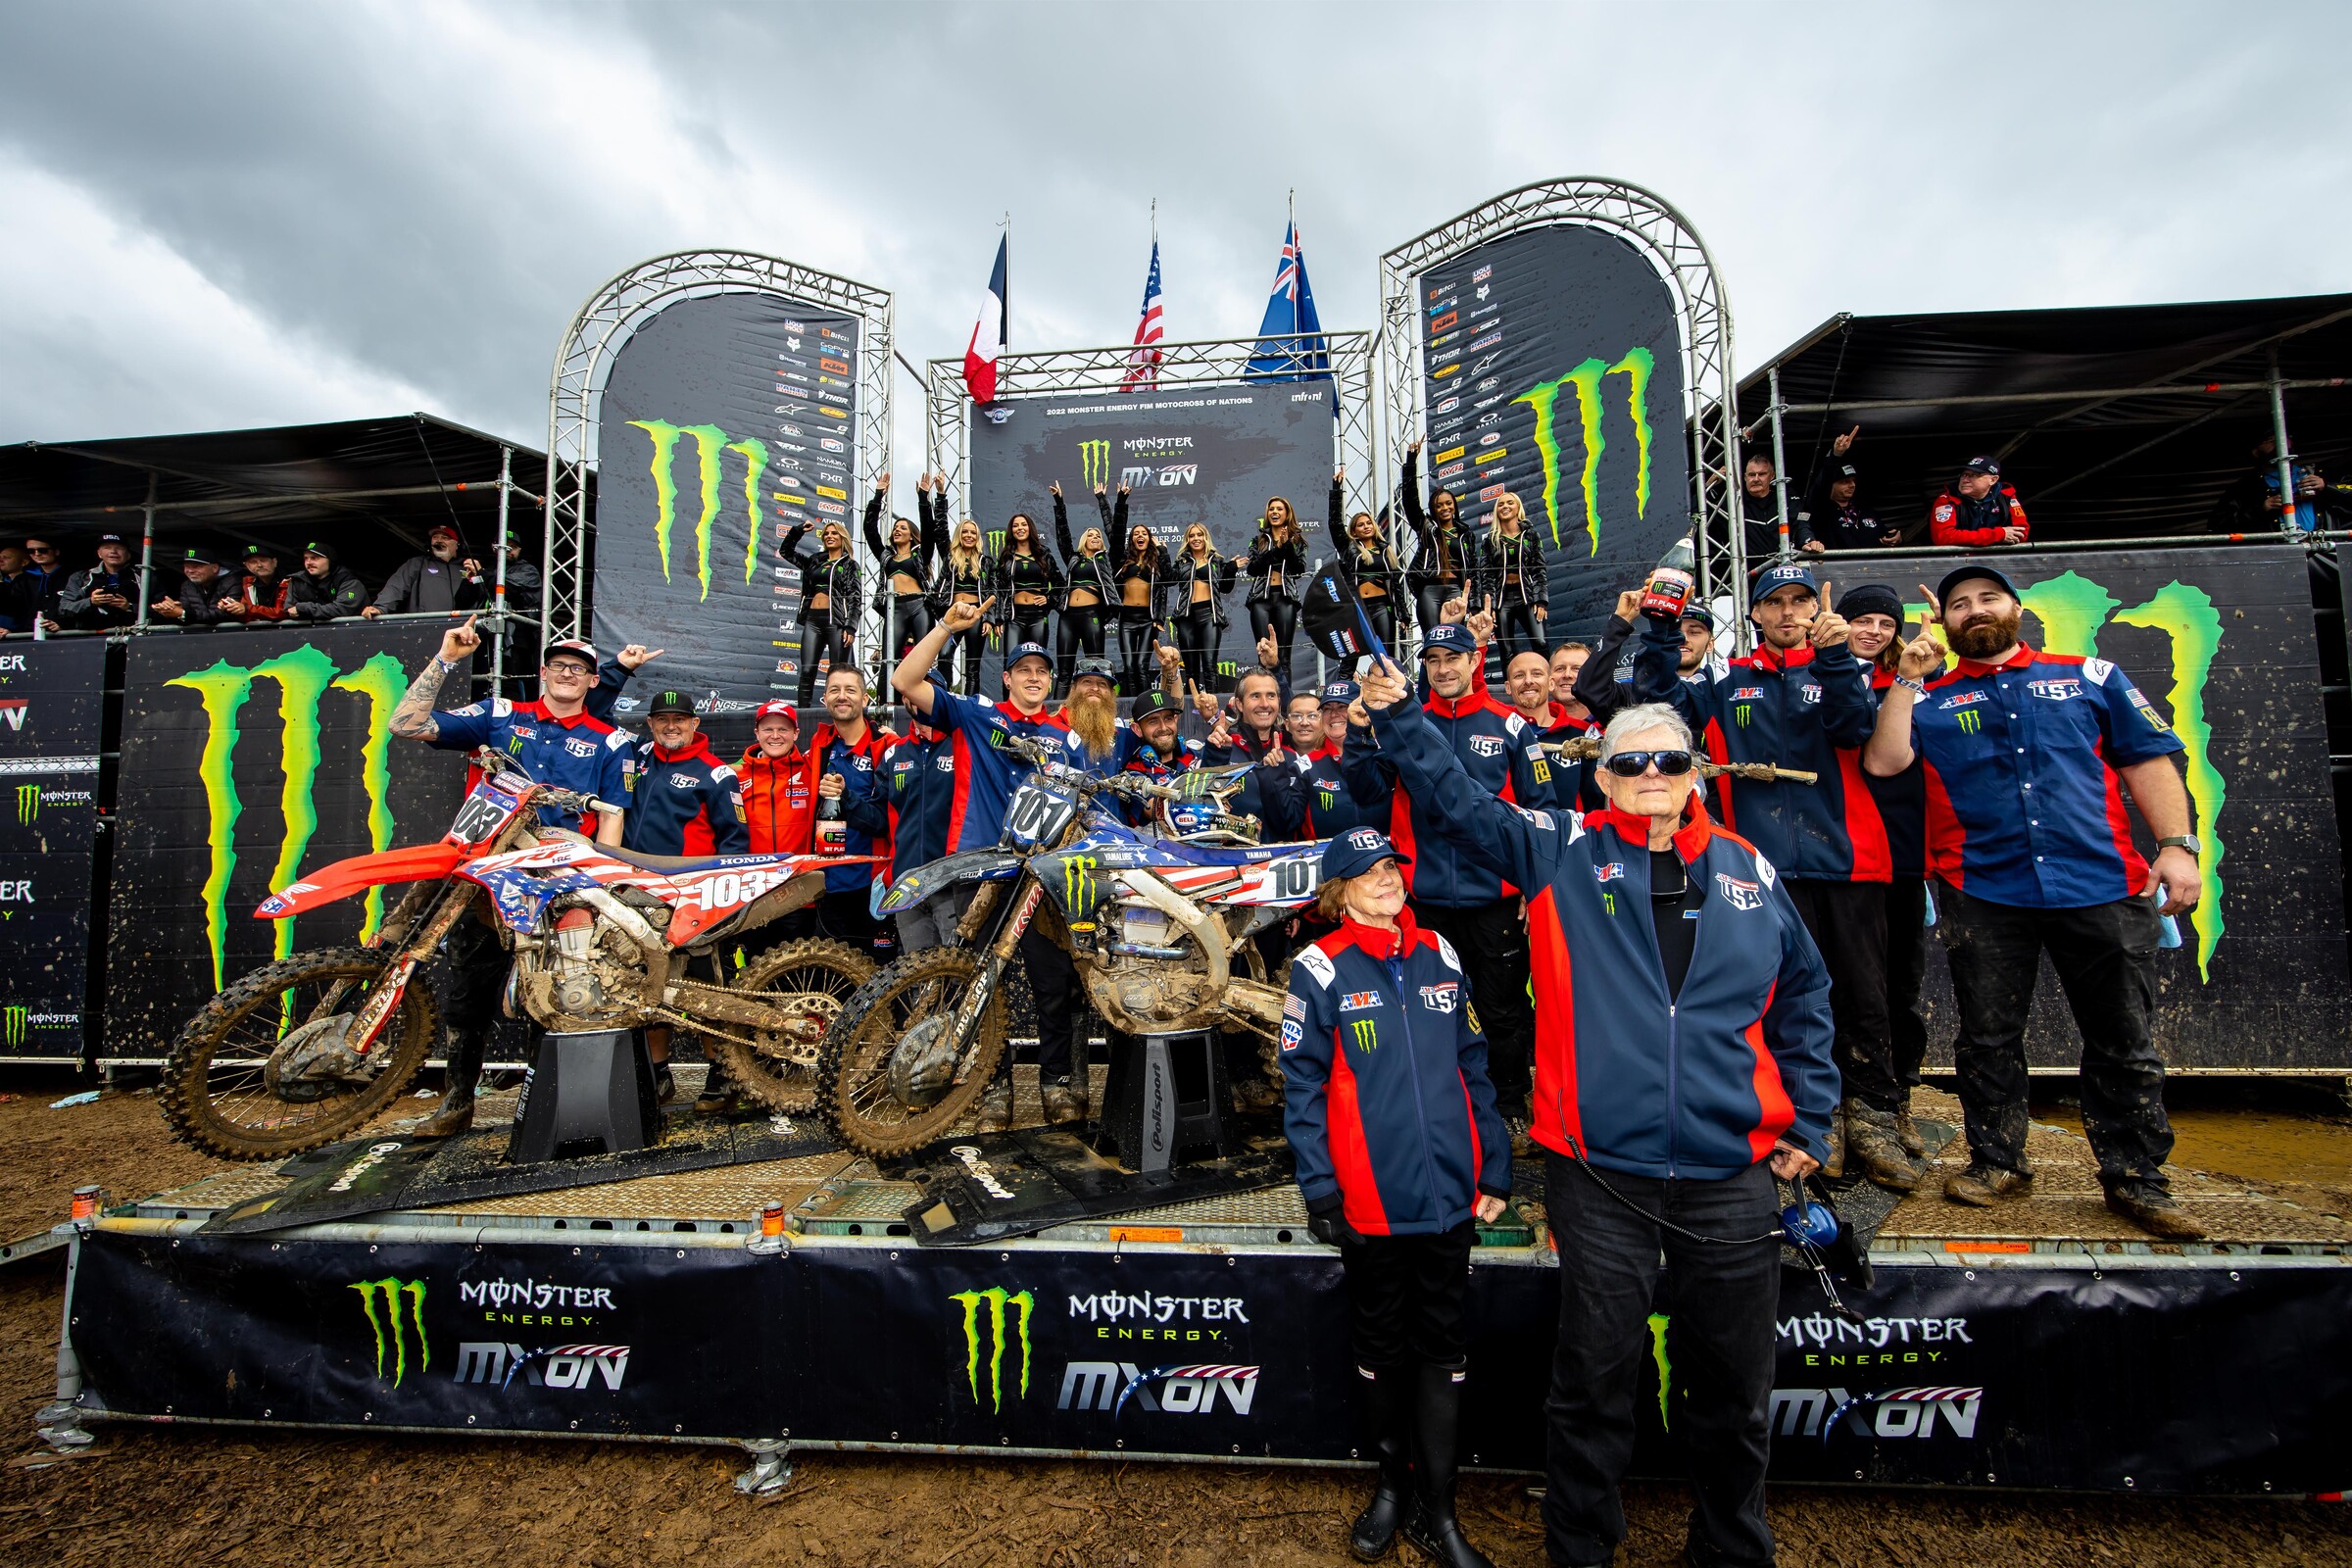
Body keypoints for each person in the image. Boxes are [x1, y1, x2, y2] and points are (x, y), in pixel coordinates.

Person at [1361, 670, 1837, 1568]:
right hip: (1599, 1172)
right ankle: (1579, 1547)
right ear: (1605, 778)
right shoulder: (1562, 849)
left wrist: (1809, 1121)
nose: (1652, 773)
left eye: (1668, 759)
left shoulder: (1748, 866)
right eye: (1632, 762)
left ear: (1694, 771)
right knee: (1593, 1380)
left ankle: (1732, 1548)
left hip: (1732, 1171)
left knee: (1735, 1390)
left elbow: (1806, 991)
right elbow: (1458, 802)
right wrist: (1397, 714)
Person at [1864, 564, 2205, 1238]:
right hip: (1982, 888)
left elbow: (2149, 759)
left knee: (2124, 1040)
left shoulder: (2091, 675)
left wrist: (2177, 845)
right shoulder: (1927, 699)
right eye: (1959, 605)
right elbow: (1884, 762)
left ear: (2017, 608)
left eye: (1987, 598)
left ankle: (2136, 1177)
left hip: (2102, 882)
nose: (1973, 611)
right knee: (1988, 1039)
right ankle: (1998, 1164)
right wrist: (1907, 674)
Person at [1624, 562, 1913, 1191]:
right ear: (1753, 614)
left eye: (1799, 602)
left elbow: (1852, 728)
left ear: (1815, 609)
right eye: (1774, 603)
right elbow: (1659, 705)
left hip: (1848, 862)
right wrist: (1661, 628)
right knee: (1784, 999)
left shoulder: (1843, 670)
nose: (1787, 613)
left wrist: (1835, 658)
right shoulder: (1730, 685)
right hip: (1759, 872)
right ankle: (1814, 1126)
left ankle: (1875, 1122)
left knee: (1863, 997)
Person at [1281, 826, 1510, 1568]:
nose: (1385, 878)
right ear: (1340, 892)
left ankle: (1437, 1512)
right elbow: (1302, 1090)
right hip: (1370, 1204)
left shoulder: (1441, 951)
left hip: (1449, 1197)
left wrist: (1495, 1165)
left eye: (1390, 866)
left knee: (1443, 1346)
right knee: (1381, 1346)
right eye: (1367, 872)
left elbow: (1474, 1063)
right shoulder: (1318, 969)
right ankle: (1390, 1487)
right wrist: (1319, 1186)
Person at [389, 624, 632, 1134]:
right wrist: (446, 658)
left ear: (592, 682)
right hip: (483, 878)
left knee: (553, 991)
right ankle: (457, 1101)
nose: (568, 674)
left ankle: (537, 1104)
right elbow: (406, 724)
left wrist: (603, 883)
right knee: (468, 990)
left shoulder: (611, 740)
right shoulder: (500, 714)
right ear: (542, 672)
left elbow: (612, 815)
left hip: (558, 883)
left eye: (580, 669)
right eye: (559, 665)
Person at [1342, 622, 1548, 1129]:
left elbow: (1542, 810)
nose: (1443, 668)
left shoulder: (1510, 726)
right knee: (1431, 1007)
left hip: (1494, 899)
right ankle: (1441, 1099)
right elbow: (1367, 793)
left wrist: (1532, 882)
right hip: (1426, 900)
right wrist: (1360, 733)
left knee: (1501, 1011)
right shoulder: (1404, 724)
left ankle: (1508, 1105)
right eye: (1432, 659)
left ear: (1476, 661)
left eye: (1453, 657)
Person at [892, 603, 1082, 1129]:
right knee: (979, 985)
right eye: (1024, 671)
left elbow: (1083, 807)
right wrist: (948, 628)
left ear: (1051, 680)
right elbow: (906, 679)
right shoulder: (980, 715)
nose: (1034, 678)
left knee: (1053, 984)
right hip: (982, 870)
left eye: (1042, 672)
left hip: (1046, 876)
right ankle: (990, 1090)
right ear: (1007, 678)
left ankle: (1056, 1083)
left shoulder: (1067, 738)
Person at [623, 689, 751, 1111]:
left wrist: (715, 901)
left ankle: (722, 1074)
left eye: (680, 719)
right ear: (650, 724)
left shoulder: (717, 775)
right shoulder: (635, 760)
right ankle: (659, 1076)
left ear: (696, 725)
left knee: (702, 988)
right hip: (635, 894)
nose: (671, 726)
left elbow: (735, 843)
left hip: (692, 898)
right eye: (662, 719)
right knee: (645, 988)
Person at [1839, 583, 1932, 1155]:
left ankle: (1895, 1100)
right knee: (1850, 987)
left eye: (1884, 622)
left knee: (1900, 985)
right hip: (1844, 860)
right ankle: (1843, 1104)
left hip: (1902, 858)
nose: (1874, 630)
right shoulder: (1823, 683)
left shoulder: (1917, 686)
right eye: (1862, 619)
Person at [806, 665, 893, 956]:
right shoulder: (820, 746)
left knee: (877, 980)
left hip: (872, 884)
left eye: (850, 690)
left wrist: (845, 797)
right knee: (830, 979)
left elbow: (885, 822)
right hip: (828, 885)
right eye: (834, 690)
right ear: (825, 699)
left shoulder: (887, 746)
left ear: (865, 699)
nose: (842, 697)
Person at [880, 689, 956, 953]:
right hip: (907, 882)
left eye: (929, 691)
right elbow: (877, 816)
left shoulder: (964, 745)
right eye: (914, 691)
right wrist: (844, 797)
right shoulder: (894, 754)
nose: (920, 697)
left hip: (952, 881)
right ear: (905, 700)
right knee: (916, 976)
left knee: (959, 972)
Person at [782, 517, 860, 705]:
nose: (829, 536)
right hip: (813, 620)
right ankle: (803, 717)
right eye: (826, 534)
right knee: (807, 670)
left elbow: (855, 598)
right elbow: (786, 552)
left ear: (843, 538)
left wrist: (851, 627)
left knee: (838, 673)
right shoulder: (815, 561)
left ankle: (838, 716)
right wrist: (798, 530)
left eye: (834, 533)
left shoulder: (849, 565)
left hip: (837, 622)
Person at [1400, 438, 1474, 635]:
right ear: (1433, 509)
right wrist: (1410, 462)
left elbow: (1473, 568)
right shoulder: (1426, 527)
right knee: (1432, 638)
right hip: (1430, 589)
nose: (1445, 508)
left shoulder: (1465, 533)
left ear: (1454, 506)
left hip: (1455, 589)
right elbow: (1409, 500)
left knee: (1455, 639)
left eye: (1448, 503)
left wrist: (1473, 601)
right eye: (1439, 505)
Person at [867, 472, 941, 665]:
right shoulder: (886, 556)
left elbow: (929, 530)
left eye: (903, 528)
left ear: (911, 535)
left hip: (919, 606)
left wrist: (923, 498)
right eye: (895, 528)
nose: (897, 530)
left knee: (923, 658)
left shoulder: (920, 555)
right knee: (889, 660)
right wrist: (877, 496)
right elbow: (869, 530)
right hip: (895, 607)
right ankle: (889, 697)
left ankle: (924, 695)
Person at [1054, 481, 1120, 692]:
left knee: (1095, 669)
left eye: (1098, 536)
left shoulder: (1106, 560)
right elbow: (1063, 536)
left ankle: (1097, 715)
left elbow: (1115, 532)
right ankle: (1056, 717)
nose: (1094, 538)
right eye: (1090, 535)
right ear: (1084, 540)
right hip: (1067, 617)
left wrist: (1103, 500)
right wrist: (1058, 502)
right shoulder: (1073, 558)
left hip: (1092, 615)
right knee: (1064, 672)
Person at [1796, 426, 1899, 551]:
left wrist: (1896, 538)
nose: (1852, 485)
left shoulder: (1865, 510)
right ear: (1831, 485)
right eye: (1845, 482)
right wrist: (1836, 455)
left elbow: (1885, 536)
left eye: (1853, 481)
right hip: (1839, 568)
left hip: (1874, 568)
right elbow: (1822, 483)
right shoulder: (1822, 510)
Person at [737, 700, 817, 857]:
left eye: (783, 729)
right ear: (757, 733)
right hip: (754, 874)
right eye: (768, 729)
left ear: (795, 734)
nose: (775, 736)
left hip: (801, 873)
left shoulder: (811, 769)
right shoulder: (736, 776)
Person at [1476, 492, 1547, 665]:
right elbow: (1487, 575)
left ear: (1517, 508)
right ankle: (1511, 688)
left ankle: (1546, 685)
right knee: (1506, 650)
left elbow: (1539, 569)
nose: (1505, 507)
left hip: (1527, 597)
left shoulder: (1531, 535)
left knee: (1540, 642)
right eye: (1501, 504)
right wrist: (1490, 605)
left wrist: (1541, 600)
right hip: (1502, 600)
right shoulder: (1490, 540)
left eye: (1510, 503)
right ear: (1496, 510)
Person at [1338, 482, 1410, 652]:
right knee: (1350, 656)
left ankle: (1390, 678)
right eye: (1361, 525)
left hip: (1382, 606)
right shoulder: (1350, 551)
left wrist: (1404, 614)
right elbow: (1335, 525)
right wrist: (1336, 489)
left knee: (1386, 654)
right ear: (1354, 531)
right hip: (1358, 607)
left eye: (1369, 523)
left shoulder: (1386, 551)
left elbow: (1396, 585)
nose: (1366, 527)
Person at [1164, 522, 1236, 691]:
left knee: (1210, 664)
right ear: (1187, 540)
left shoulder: (1216, 560)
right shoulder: (1182, 562)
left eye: (1199, 535)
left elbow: (1226, 588)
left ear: (1205, 537)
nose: (1196, 538)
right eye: (1192, 535)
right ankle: (1192, 708)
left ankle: (1213, 709)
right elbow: (1169, 579)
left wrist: (1231, 570)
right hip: (1186, 616)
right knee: (1190, 668)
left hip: (1209, 615)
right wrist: (1163, 554)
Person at [1243, 493, 1306, 682]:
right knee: (1264, 655)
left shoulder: (1298, 541)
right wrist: (1276, 550)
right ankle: (1265, 697)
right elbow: (1252, 569)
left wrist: (1286, 546)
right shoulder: (1258, 540)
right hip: (1261, 600)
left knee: (1283, 657)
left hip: (1286, 600)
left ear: (1287, 514)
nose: (1275, 512)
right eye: (1271, 509)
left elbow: (1299, 570)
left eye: (1279, 509)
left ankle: (1284, 704)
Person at [987, 507, 1063, 660]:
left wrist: (1049, 599)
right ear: (1011, 531)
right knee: (1011, 662)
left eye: (1024, 524)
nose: (1020, 528)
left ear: (1030, 528)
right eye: (1015, 526)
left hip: (1038, 617)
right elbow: (998, 591)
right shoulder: (1006, 557)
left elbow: (1060, 584)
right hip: (1014, 617)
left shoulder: (1044, 554)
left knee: (1037, 660)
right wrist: (998, 619)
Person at [365, 523, 486, 616]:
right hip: (424, 627)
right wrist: (380, 608)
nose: (439, 540)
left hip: (458, 629)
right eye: (435, 537)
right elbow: (396, 587)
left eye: (445, 537)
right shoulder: (417, 564)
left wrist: (478, 575)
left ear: (457, 544)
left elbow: (482, 596)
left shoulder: (468, 567)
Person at [932, 515, 991, 693]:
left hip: (975, 614)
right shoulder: (950, 558)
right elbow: (940, 531)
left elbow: (992, 590)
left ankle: (970, 705)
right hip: (954, 615)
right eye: (965, 531)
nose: (969, 535)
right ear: (959, 534)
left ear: (978, 537)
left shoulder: (985, 561)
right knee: (943, 655)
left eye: (973, 532)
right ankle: (945, 696)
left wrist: (988, 618)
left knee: (973, 664)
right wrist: (941, 494)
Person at [1113, 518, 1170, 695]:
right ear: (1131, 539)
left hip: (1147, 619)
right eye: (1136, 533)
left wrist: (1163, 551)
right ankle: (1132, 709)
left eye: (1144, 533)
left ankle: (1147, 709)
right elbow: (1114, 534)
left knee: (1141, 665)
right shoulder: (1123, 560)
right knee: (1129, 665)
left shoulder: (1156, 561)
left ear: (1149, 538)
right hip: (1127, 618)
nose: (1140, 536)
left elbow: (1169, 579)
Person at [1733, 451, 1818, 559]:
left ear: (1772, 476)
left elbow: (1800, 522)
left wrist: (1808, 540)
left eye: (1762, 474)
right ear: (1745, 477)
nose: (1756, 479)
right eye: (1751, 475)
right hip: (1746, 570)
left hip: (1783, 566)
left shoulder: (1786, 498)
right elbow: (1707, 515)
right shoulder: (1735, 502)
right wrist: (1707, 485)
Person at [1930, 456, 2029, 548]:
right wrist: (1998, 535)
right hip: (1959, 561)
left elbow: (2022, 532)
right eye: (1964, 474)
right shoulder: (1947, 499)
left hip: (1997, 560)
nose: (1965, 480)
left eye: (1974, 475)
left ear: (1993, 480)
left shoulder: (2006, 496)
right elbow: (1943, 537)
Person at [59, 534, 140, 630]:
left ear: (128, 555)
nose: (113, 552)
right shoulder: (81, 577)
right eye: (107, 548)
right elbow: (64, 609)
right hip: (92, 638)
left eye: (119, 548)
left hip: (133, 636)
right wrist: (91, 602)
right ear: (99, 553)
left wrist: (129, 607)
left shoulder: (143, 577)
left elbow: (159, 609)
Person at [150, 547, 234, 626]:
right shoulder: (187, 585)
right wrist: (172, 608)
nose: (190, 571)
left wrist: (182, 613)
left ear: (215, 568)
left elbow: (222, 615)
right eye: (186, 566)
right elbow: (188, 612)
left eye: (196, 567)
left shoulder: (233, 582)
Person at [287, 540, 368, 621]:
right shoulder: (298, 580)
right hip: (307, 632)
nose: (308, 563)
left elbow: (342, 609)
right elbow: (288, 609)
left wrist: (304, 608)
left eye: (314, 558)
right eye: (306, 558)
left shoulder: (348, 580)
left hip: (351, 631)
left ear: (330, 560)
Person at [216, 543, 292, 624]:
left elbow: (284, 612)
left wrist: (247, 609)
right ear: (247, 566)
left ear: (274, 562)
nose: (259, 565)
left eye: (263, 560)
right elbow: (247, 617)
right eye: (253, 562)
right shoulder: (248, 583)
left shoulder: (289, 581)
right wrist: (231, 609)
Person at [0, 545, 46, 634]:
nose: (1, 560)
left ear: (24, 562)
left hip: (21, 633)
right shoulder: (4, 580)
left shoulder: (34, 582)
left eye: (7, 557)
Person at [1548, 642, 1593, 724]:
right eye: (1560, 669)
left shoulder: (1613, 718)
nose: (1567, 674)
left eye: (1576, 669)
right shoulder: (1532, 723)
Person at [22, 538, 63, 623]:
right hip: (31, 631)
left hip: (66, 631)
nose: (37, 554)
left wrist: (62, 624)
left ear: (56, 552)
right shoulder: (24, 579)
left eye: (42, 550)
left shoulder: (75, 576)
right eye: (31, 551)